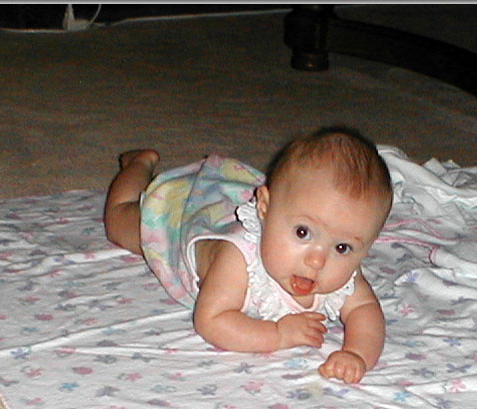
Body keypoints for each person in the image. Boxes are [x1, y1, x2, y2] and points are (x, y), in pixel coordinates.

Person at [104, 126, 393, 383]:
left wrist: (357, 354)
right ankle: (139, 164)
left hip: (259, 205)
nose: (317, 261)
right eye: (303, 232)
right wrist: (277, 334)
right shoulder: (237, 259)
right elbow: (211, 320)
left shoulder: (343, 272)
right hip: (182, 220)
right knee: (120, 223)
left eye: (342, 247)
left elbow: (365, 311)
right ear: (264, 209)